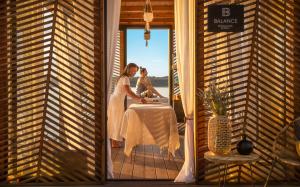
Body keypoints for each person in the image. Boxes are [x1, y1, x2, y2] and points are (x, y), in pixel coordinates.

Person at [107, 63, 146, 148]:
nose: (134, 73)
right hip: (116, 101)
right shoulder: (125, 78)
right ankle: (115, 143)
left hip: (114, 100)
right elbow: (129, 92)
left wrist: (137, 97)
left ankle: (117, 141)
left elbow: (127, 93)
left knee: (116, 121)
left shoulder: (122, 78)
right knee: (117, 121)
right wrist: (139, 99)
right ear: (128, 69)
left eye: (135, 71)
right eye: (133, 71)